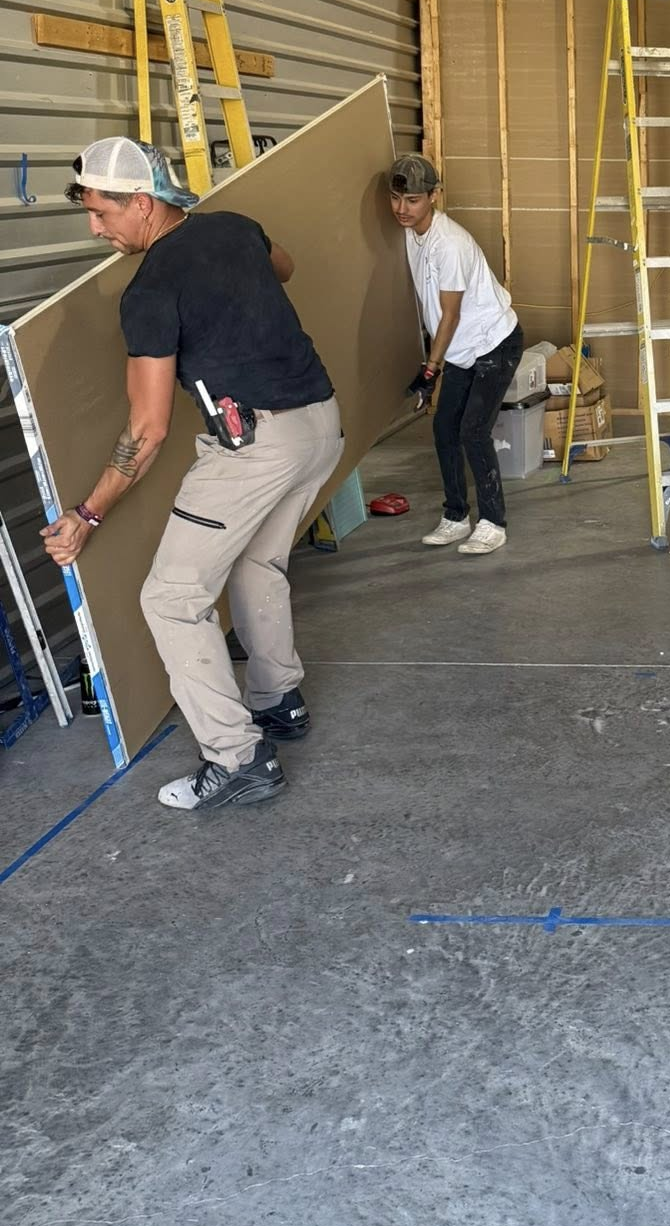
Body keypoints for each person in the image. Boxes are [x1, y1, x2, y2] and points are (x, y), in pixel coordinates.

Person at [41, 139, 342, 814]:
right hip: (319, 421)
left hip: (257, 443)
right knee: (258, 562)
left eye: (101, 214)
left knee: (171, 598)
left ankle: (236, 759)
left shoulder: (149, 290)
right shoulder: (234, 228)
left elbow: (146, 432)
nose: (96, 229)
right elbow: (284, 268)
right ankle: (278, 702)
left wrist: (87, 515)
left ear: (142, 204)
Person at [389, 152, 524, 557]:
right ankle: (455, 516)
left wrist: (431, 368)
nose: (402, 209)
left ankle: (493, 523)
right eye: (396, 198)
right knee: (444, 428)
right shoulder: (410, 234)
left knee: (472, 431)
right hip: (462, 349)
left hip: (493, 343)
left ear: (433, 196)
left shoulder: (449, 243)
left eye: (412, 200)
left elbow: (450, 314)